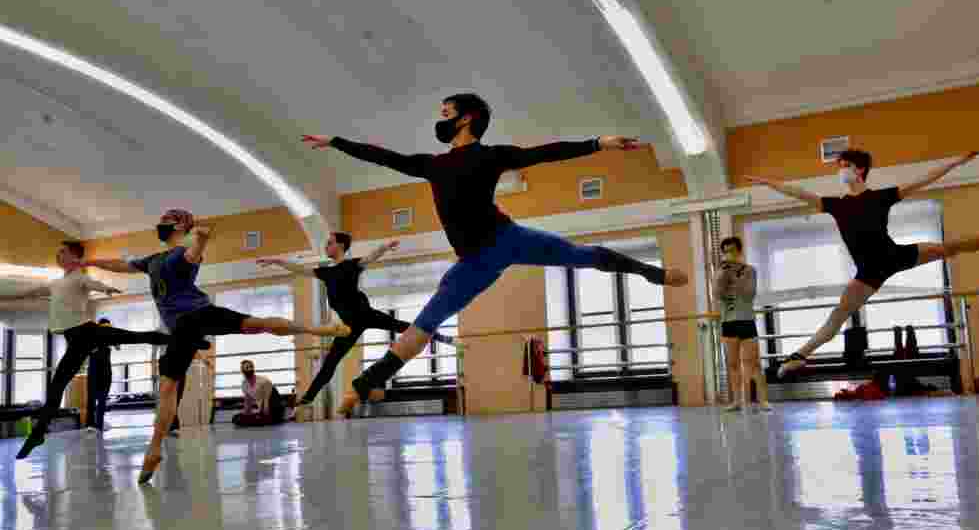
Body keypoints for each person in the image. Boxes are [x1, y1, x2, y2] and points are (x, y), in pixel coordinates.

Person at [301, 93, 688, 414]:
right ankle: (363, 385)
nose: (441, 119)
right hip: (473, 262)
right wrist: (337, 142)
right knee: (422, 326)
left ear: (467, 118)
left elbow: (544, 154)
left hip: (509, 238)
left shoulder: (490, 156)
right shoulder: (432, 165)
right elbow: (382, 156)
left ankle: (651, 273)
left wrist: (597, 143)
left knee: (581, 254)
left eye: (447, 113)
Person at [78, 209, 351, 483]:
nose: (160, 224)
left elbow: (193, 253)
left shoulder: (181, 254)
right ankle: (154, 450)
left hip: (196, 315)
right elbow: (121, 264)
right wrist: (88, 261)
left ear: (180, 226)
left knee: (257, 324)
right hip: (184, 327)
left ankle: (316, 328)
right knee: (168, 386)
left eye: (166, 221)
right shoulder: (151, 260)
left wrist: (201, 239)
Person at [747, 149, 979, 378]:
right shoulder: (835, 204)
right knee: (837, 316)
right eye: (840, 166)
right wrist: (768, 183)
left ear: (860, 169)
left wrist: (955, 162)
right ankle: (799, 356)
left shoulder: (881, 197)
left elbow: (924, 179)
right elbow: (797, 192)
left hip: (893, 255)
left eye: (845, 165)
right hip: (868, 271)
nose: (840, 170)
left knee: (951, 248)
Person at [0, 241, 188, 459]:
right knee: (57, 385)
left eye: (63, 252)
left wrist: (105, 288)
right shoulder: (55, 284)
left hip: (86, 332)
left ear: (74, 257)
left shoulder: (79, 277)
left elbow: (92, 283)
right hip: (76, 342)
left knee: (133, 337)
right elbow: (31, 292)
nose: (58, 254)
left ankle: (182, 340)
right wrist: (7, 297)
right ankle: (39, 432)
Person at [258, 233, 458, 407]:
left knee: (406, 327)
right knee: (330, 363)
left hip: (365, 314)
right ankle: (308, 398)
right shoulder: (326, 272)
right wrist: (277, 261)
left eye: (330, 242)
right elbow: (299, 269)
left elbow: (370, 257)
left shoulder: (351, 266)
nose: (327, 246)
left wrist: (385, 247)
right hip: (349, 326)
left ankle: (444, 339)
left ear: (341, 246)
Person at [715, 238, 771, 412]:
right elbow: (717, 295)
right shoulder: (720, 271)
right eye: (725, 251)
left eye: (732, 250)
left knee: (754, 363)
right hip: (728, 322)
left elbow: (749, 294)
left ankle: (763, 401)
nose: (728, 254)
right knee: (732, 364)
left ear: (739, 251)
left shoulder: (750, 270)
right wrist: (723, 276)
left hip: (746, 320)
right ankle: (737, 401)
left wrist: (735, 275)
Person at [231, 360, 286, 427]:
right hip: (262, 412)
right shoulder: (244, 384)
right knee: (236, 418)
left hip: (274, 408)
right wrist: (245, 414)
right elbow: (248, 401)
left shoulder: (264, 380)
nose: (250, 369)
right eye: (247, 367)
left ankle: (266, 419)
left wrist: (264, 410)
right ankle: (258, 420)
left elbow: (267, 398)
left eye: (251, 367)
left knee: (260, 417)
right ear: (242, 370)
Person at [85, 318, 115, 433]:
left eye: (109, 327)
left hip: (106, 373)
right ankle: (90, 424)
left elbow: (118, 346)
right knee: (91, 399)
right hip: (94, 373)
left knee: (102, 400)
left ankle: (100, 425)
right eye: (105, 327)